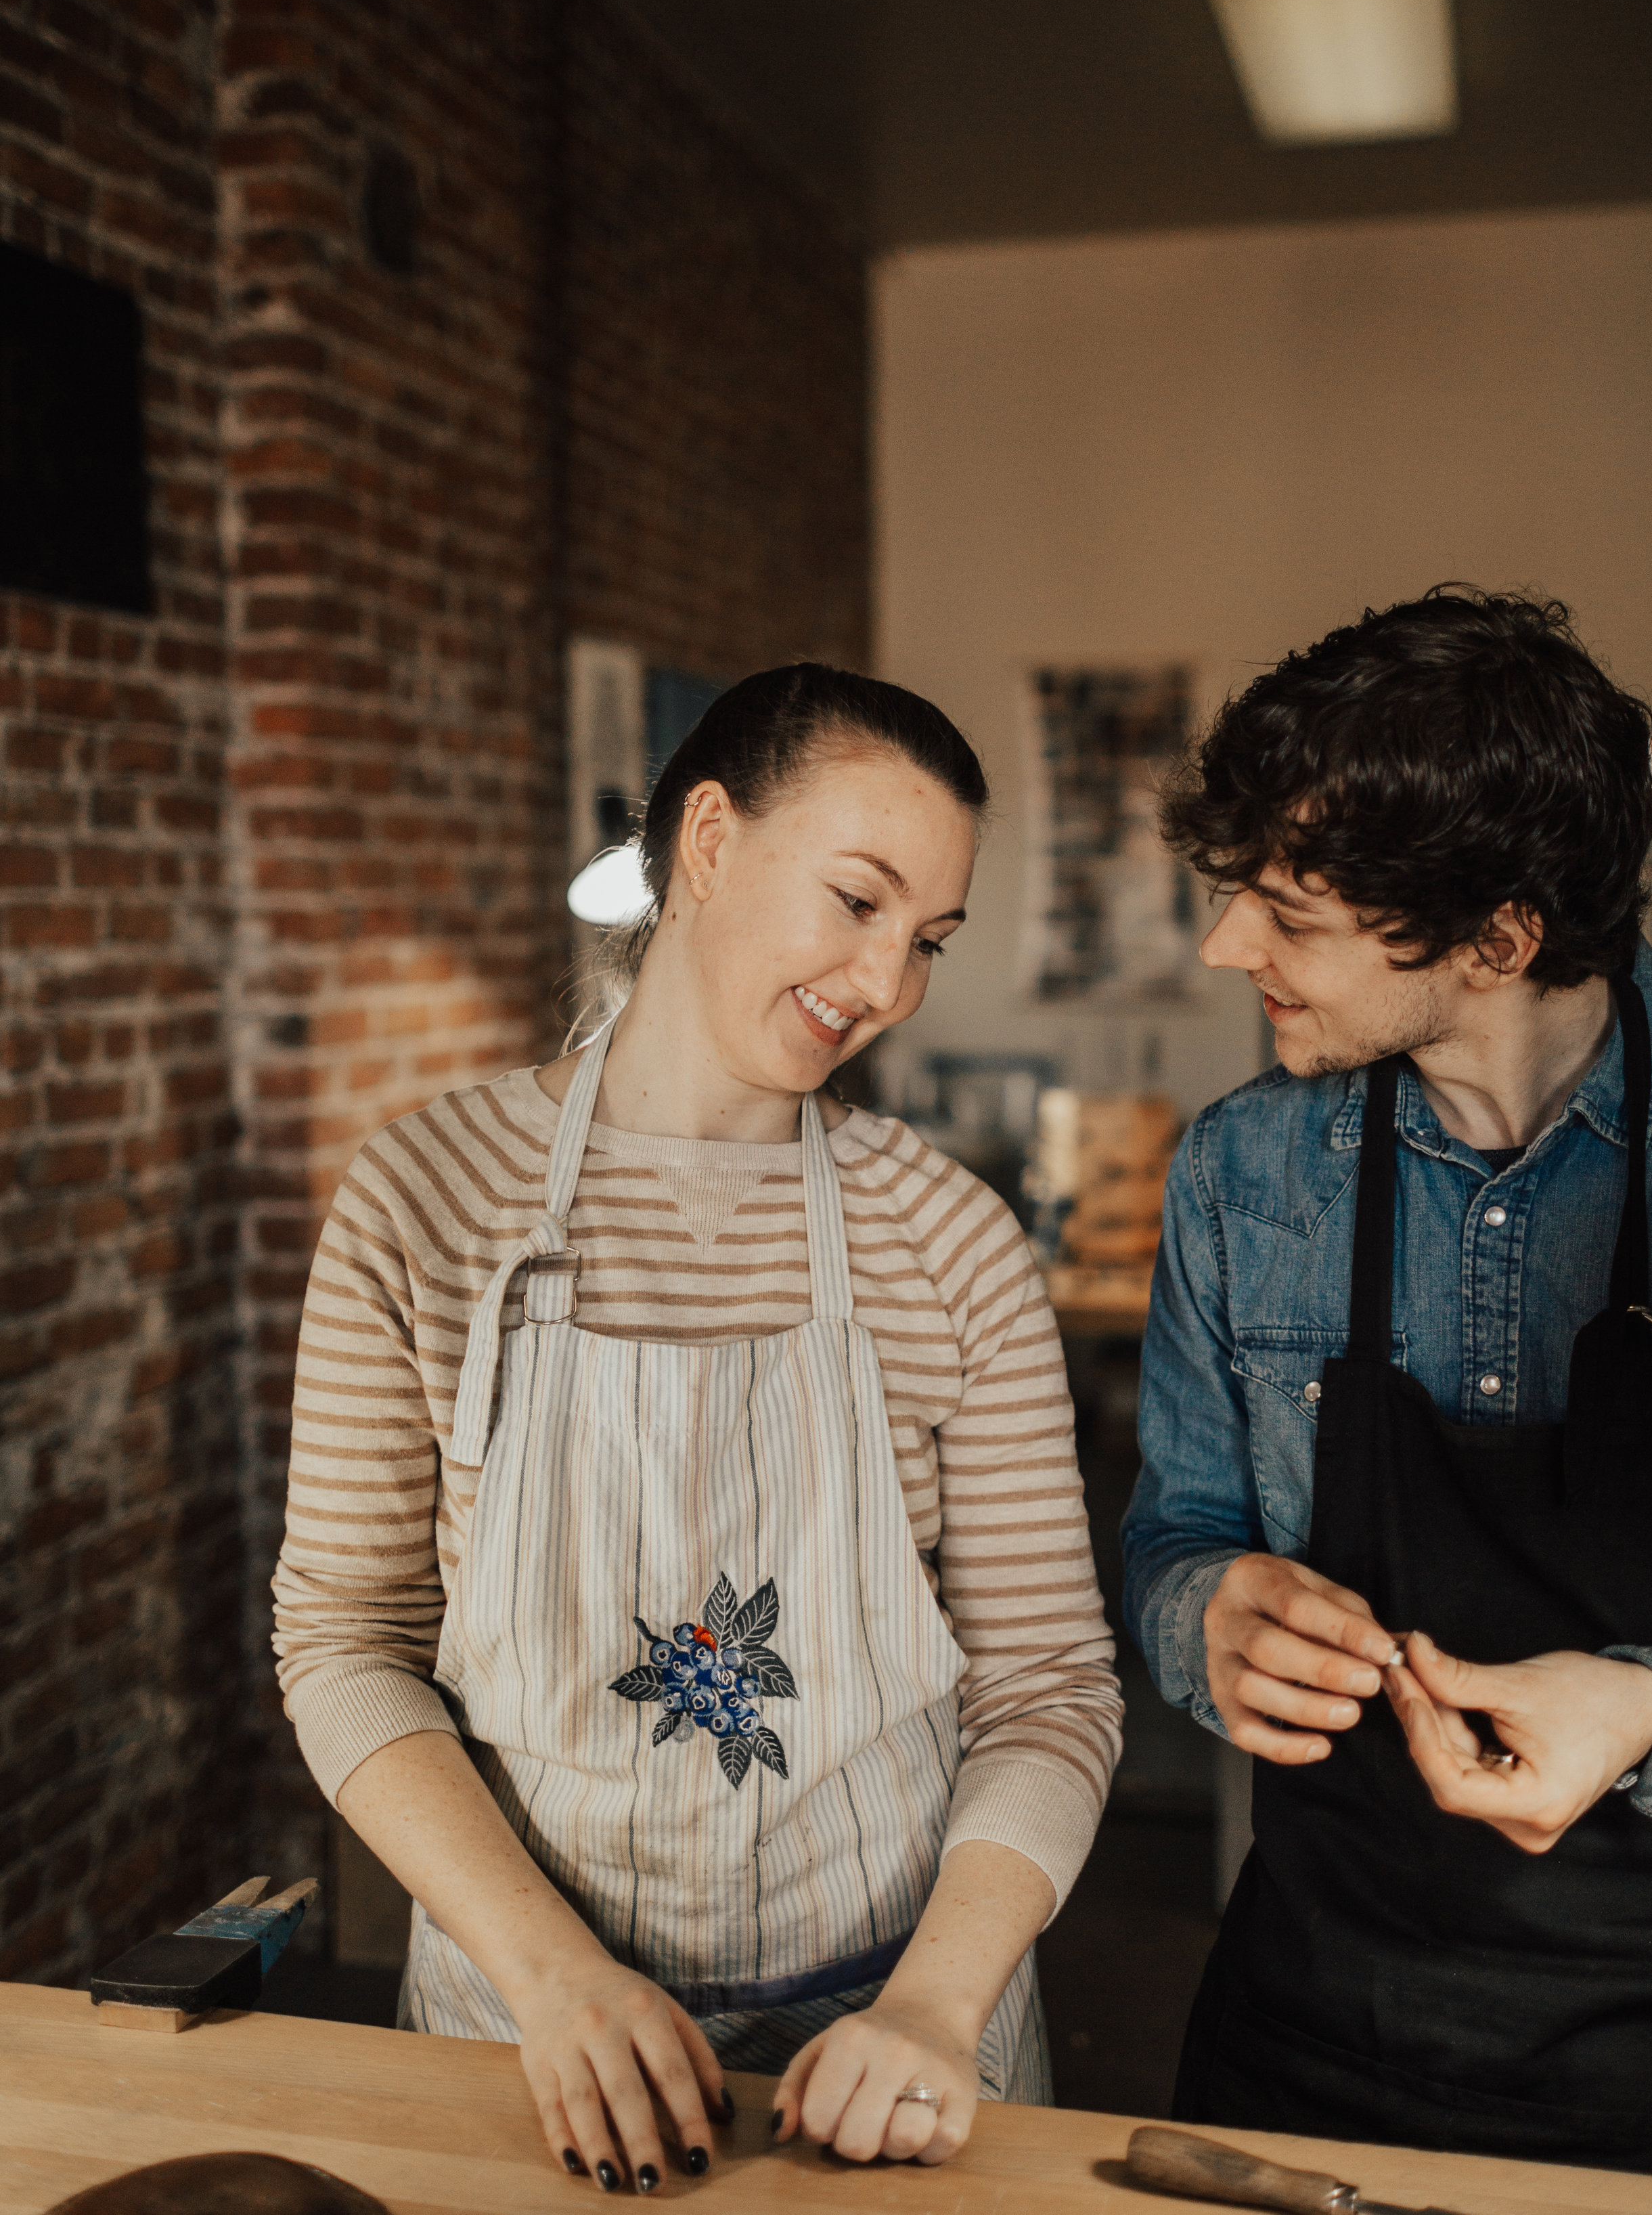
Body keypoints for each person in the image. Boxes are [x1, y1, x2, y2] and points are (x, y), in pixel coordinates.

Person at [274, 662, 1121, 2193]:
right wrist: (552, 1976)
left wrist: (934, 2004)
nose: (885, 983)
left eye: (925, 939)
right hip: (528, 2029)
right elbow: (343, 1639)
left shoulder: (949, 1241)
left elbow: (1048, 1686)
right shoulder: (425, 1202)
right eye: (857, 902)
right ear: (712, 844)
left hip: (895, 2038)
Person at [1122, 589, 1652, 2176]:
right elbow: (1174, 1529)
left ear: (1499, 936)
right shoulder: (1241, 1172)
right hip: (1305, 2021)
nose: (1227, 946)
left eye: (1289, 917)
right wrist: (1207, 1613)